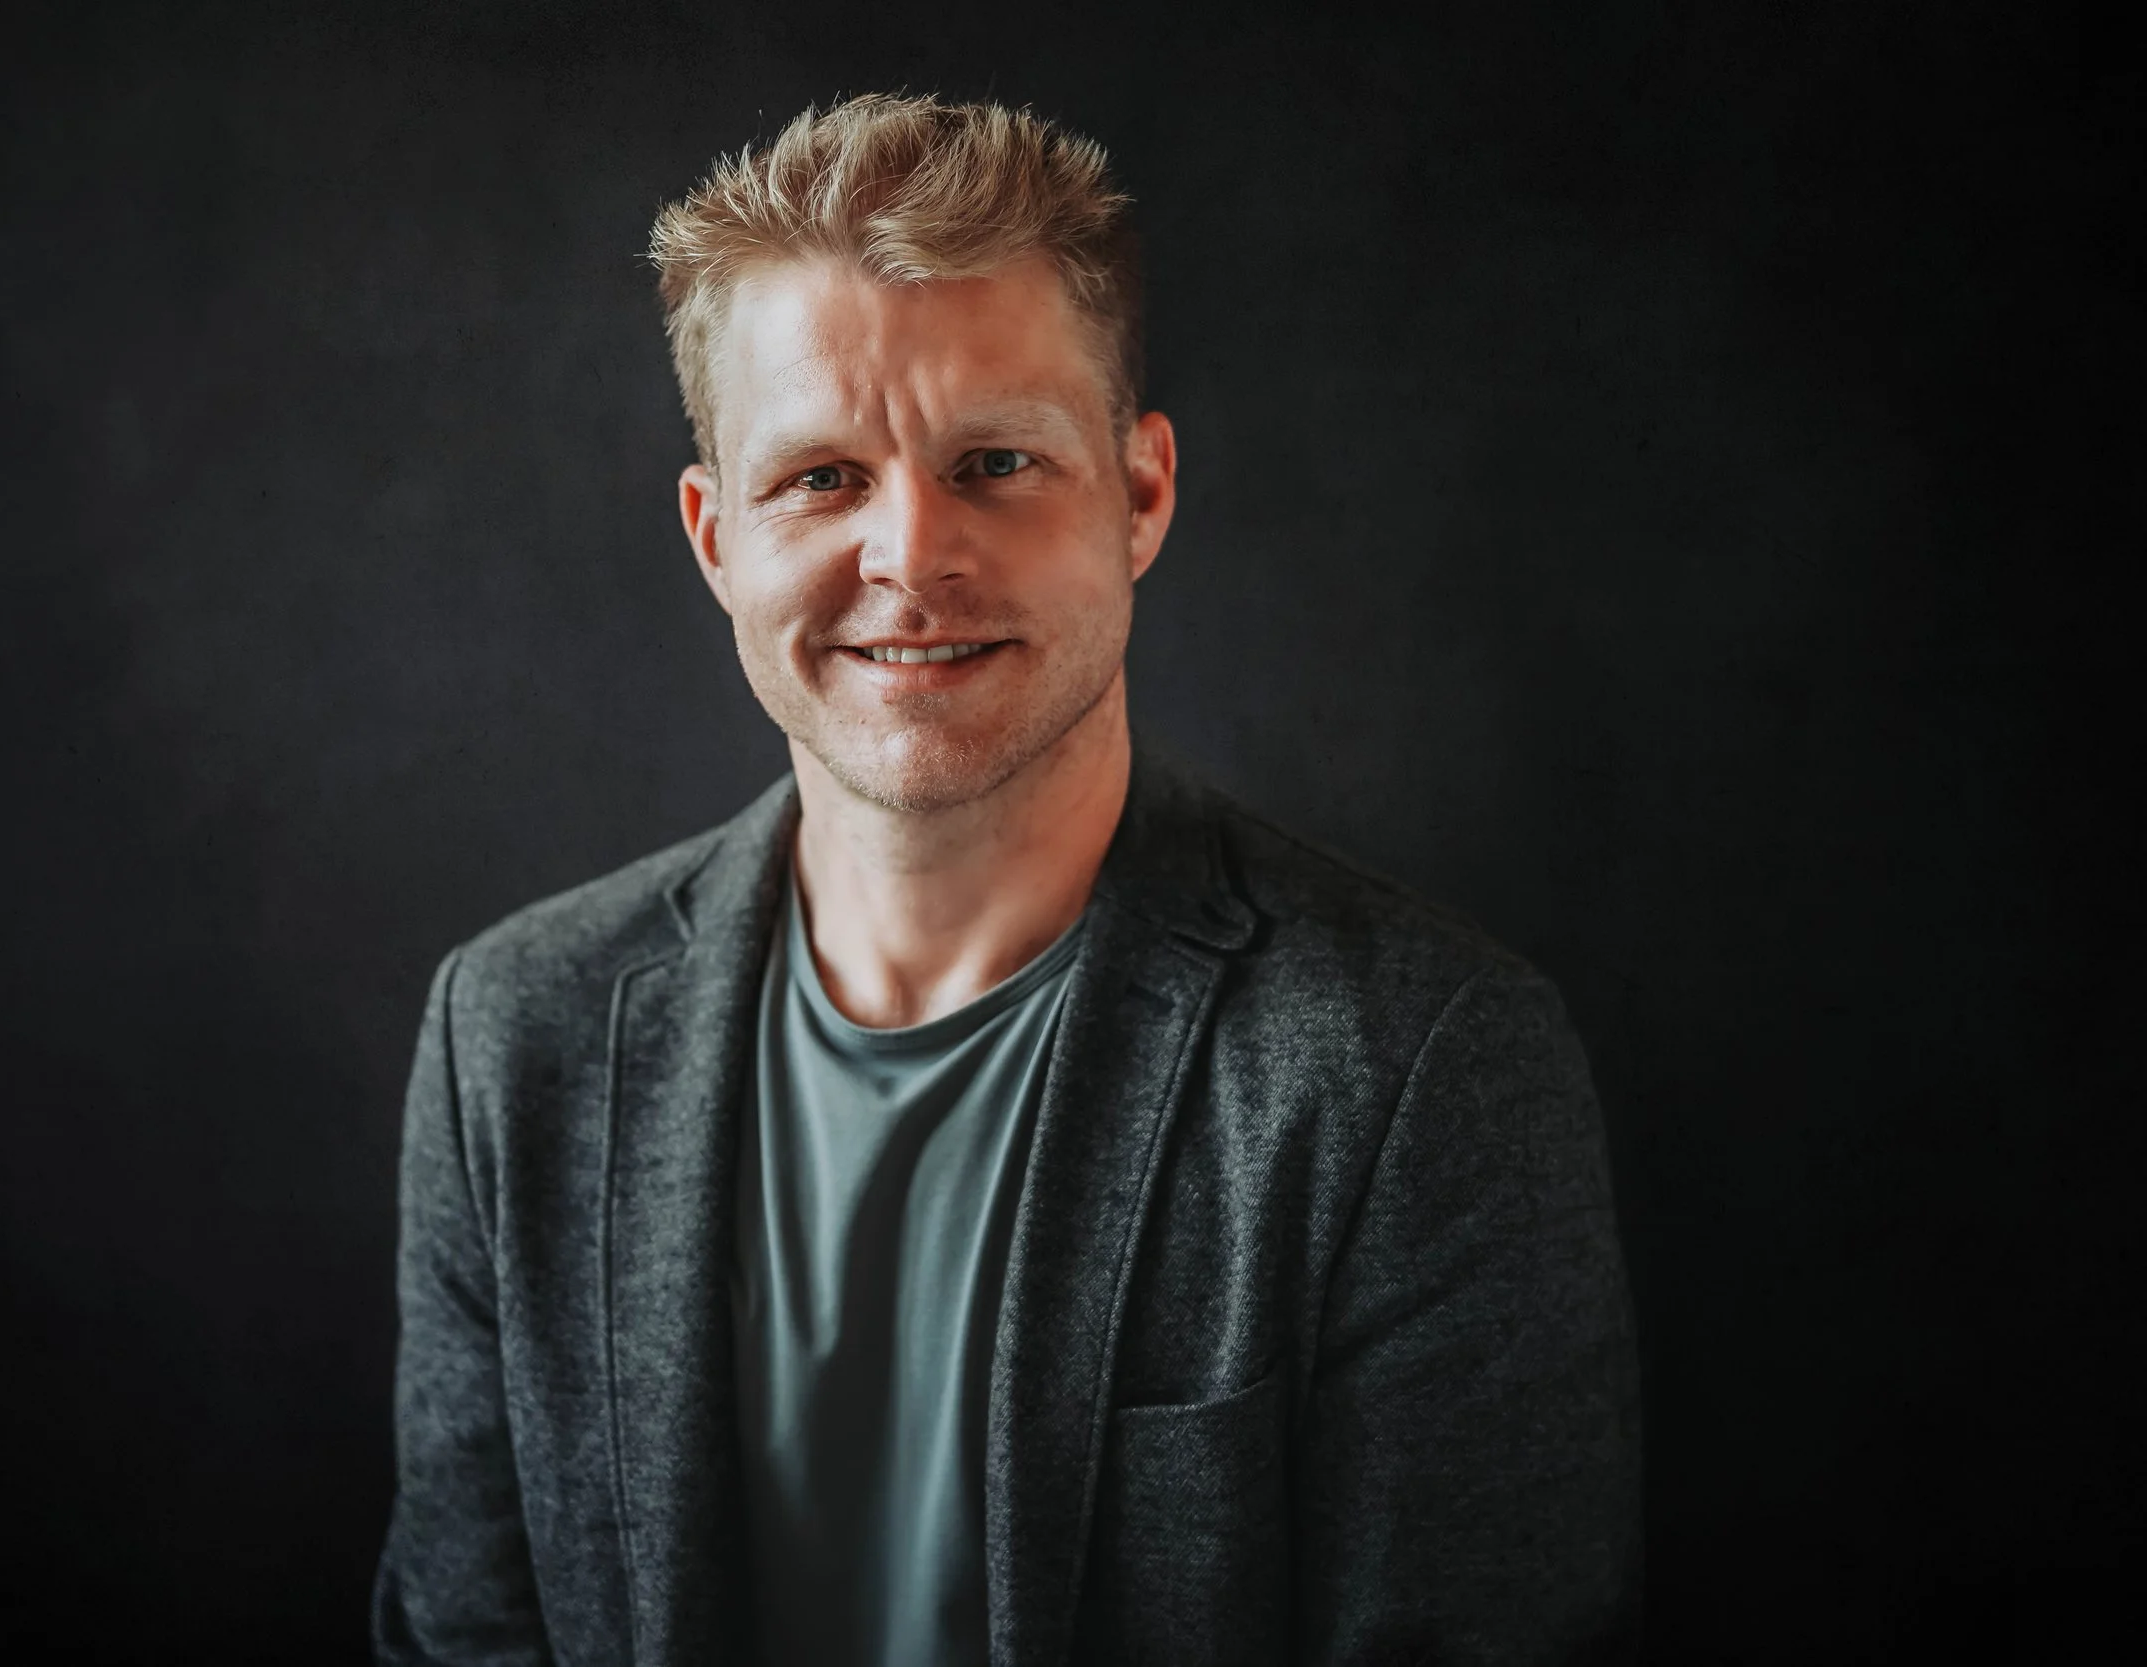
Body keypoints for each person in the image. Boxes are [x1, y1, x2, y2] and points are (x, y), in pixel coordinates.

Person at [372, 93, 1639, 1667]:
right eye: (822, 478)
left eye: (994, 460)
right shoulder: (513, 1038)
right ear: (715, 540)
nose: (913, 551)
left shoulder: (1422, 1067)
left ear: (1143, 494)